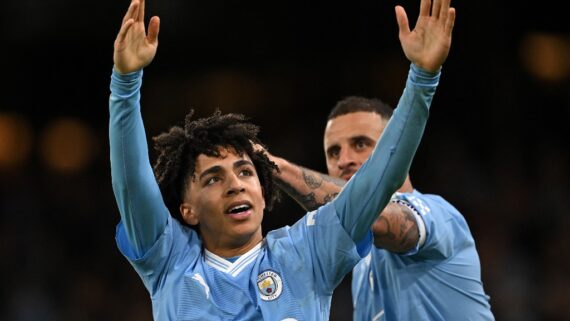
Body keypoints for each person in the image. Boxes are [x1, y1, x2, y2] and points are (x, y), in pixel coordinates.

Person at [109, 0, 453, 320]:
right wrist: (125, 86)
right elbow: (132, 184)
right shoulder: (169, 259)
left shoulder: (309, 252)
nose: (235, 185)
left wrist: (422, 78)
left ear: (262, 191)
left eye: (245, 172)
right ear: (188, 209)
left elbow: (380, 178)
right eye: (213, 178)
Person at [264, 9, 494, 321]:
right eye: (333, 152)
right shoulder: (360, 263)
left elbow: (373, 218)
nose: (344, 160)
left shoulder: (439, 217)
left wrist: (275, 166)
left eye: (361, 144)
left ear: (395, 148)